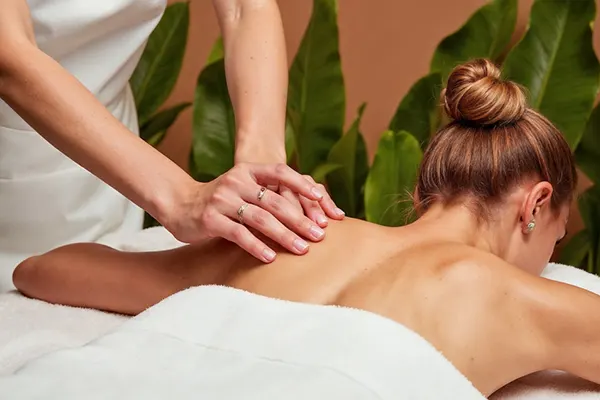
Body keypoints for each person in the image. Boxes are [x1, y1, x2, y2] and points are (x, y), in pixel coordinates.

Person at [12, 59, 591, 397]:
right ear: (535, 205)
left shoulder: (285, 237)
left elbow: (39, 271)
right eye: (556, 237)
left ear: (420, 196)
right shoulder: (518, 300)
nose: (549, 260)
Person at [0, 0, 344, 291]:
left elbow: (245, 7)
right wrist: (181, 197)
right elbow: (9, 52)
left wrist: (263, 165)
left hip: (112, 168)